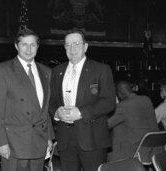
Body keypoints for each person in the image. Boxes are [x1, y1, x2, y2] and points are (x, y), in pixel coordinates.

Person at [49, 29, 116, 171]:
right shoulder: (56, 71)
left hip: (92, 137)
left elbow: (109, 101)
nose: (72, 48)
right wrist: (56, 113)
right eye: (68, 45)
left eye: (76, 44)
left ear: (85, 47)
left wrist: (81, 113)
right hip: (65, 138)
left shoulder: (101, 69)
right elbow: (51, 100)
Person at [0, 28, 54, 171]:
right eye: (24, 44)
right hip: (14, 143)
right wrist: (1, 143)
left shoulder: (46, 72)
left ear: (38, 46)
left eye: (32, 44)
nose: (29, 49)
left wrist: (49, 137)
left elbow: (45, 109)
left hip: (39, 140)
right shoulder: (3, 70)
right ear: (16, 46)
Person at [107, 81, 159, 162]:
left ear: (119, 94)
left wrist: (115, 104)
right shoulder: (146, 99)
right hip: (154, 149)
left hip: (135, 151)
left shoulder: (122, 106)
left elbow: (107, 124)